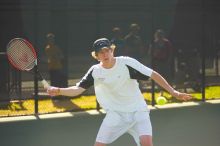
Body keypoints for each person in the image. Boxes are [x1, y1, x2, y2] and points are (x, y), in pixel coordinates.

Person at [47, 38, 192, 146]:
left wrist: (174, 92)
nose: (105, 54)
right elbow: (77, 90)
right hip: (115, 115)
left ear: (112, 50)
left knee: (147, 144)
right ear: (96, 56)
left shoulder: (127, 63)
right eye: (101, 52)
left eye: (107, 50)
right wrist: (59, 90)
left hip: (138, 111)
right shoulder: (95, 71)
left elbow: (153, 74)